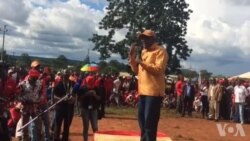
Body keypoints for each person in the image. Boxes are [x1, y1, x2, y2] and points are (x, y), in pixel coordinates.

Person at [129, 29, 168, 141]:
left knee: (149, 124)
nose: (143, 41)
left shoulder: (160, 51)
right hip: (143, 92)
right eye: (142, 38)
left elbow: (159, 70)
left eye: (146, 38)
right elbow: (137, 71)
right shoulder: (143, 52)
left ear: (153, 39)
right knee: (142, 123)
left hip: (154, 93)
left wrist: (141, 62)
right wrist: (131, 57)